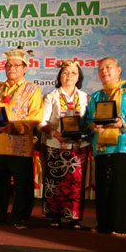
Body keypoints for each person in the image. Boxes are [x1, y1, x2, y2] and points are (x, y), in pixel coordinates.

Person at [0, 47, 43, 229]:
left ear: (24, 68)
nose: (11, 68)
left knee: (22, 185)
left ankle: (20, 217)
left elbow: (36, 116)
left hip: (20, 146)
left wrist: (13, 126)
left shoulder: (32, 89)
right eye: (8, 65)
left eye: (15, 65)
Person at [85, 57, 126, 236]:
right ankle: (104, 224)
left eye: (108, 67)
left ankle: (124, 225)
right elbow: (89, 119)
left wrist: (123, 121)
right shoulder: (97, 96)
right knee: (105, 187)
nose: (104, 71)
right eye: (100, 68)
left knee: (123, 187)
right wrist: (92, 126)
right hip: (103, 147)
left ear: (119, 70)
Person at [38, 61, 91, 229]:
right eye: (65, 73)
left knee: (76, 183)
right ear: (59, 76)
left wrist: (87, 131)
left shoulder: (85, 98)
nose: (69, 76)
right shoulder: (51, 96)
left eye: (73, 73)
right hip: (55, 144)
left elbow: (89, 121)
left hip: (78, 146)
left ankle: (74, 217)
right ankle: (55, 216)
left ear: (79, 77)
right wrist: (55, 134)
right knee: (54, 181)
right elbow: (41, 122)